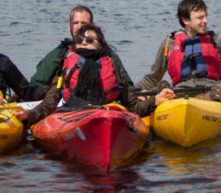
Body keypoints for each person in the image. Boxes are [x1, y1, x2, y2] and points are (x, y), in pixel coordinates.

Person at [18, 24, 171, 126]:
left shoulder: (112, 66)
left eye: (90, 39)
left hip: (106, 114)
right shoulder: (66, 66)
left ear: (101, 44)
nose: (84, 42)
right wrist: (28, 116)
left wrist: (155, 100)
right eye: (79, 39)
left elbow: (133, 107)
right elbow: (48, 105)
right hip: (73, 114)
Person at [135, 0, 221, 101]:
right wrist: (132, 91)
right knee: (153, 92)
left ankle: (218, 104)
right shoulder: (168, 44)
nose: (205, 21)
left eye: (206, 16)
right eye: (200, 18)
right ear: (185, 20)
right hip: (180, 94)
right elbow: (153, 77)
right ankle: (165, 96)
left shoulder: (218, 41)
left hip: (211, 92)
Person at [29, 5, 133, 89]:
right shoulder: (59, 54)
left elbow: (127, 85)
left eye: (83, 23)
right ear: (69, 26)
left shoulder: (108, 54)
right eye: (75, 23)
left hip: (104, 105)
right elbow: (36, 83)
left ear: (92, 26)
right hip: (66, 106)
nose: (79, 27)